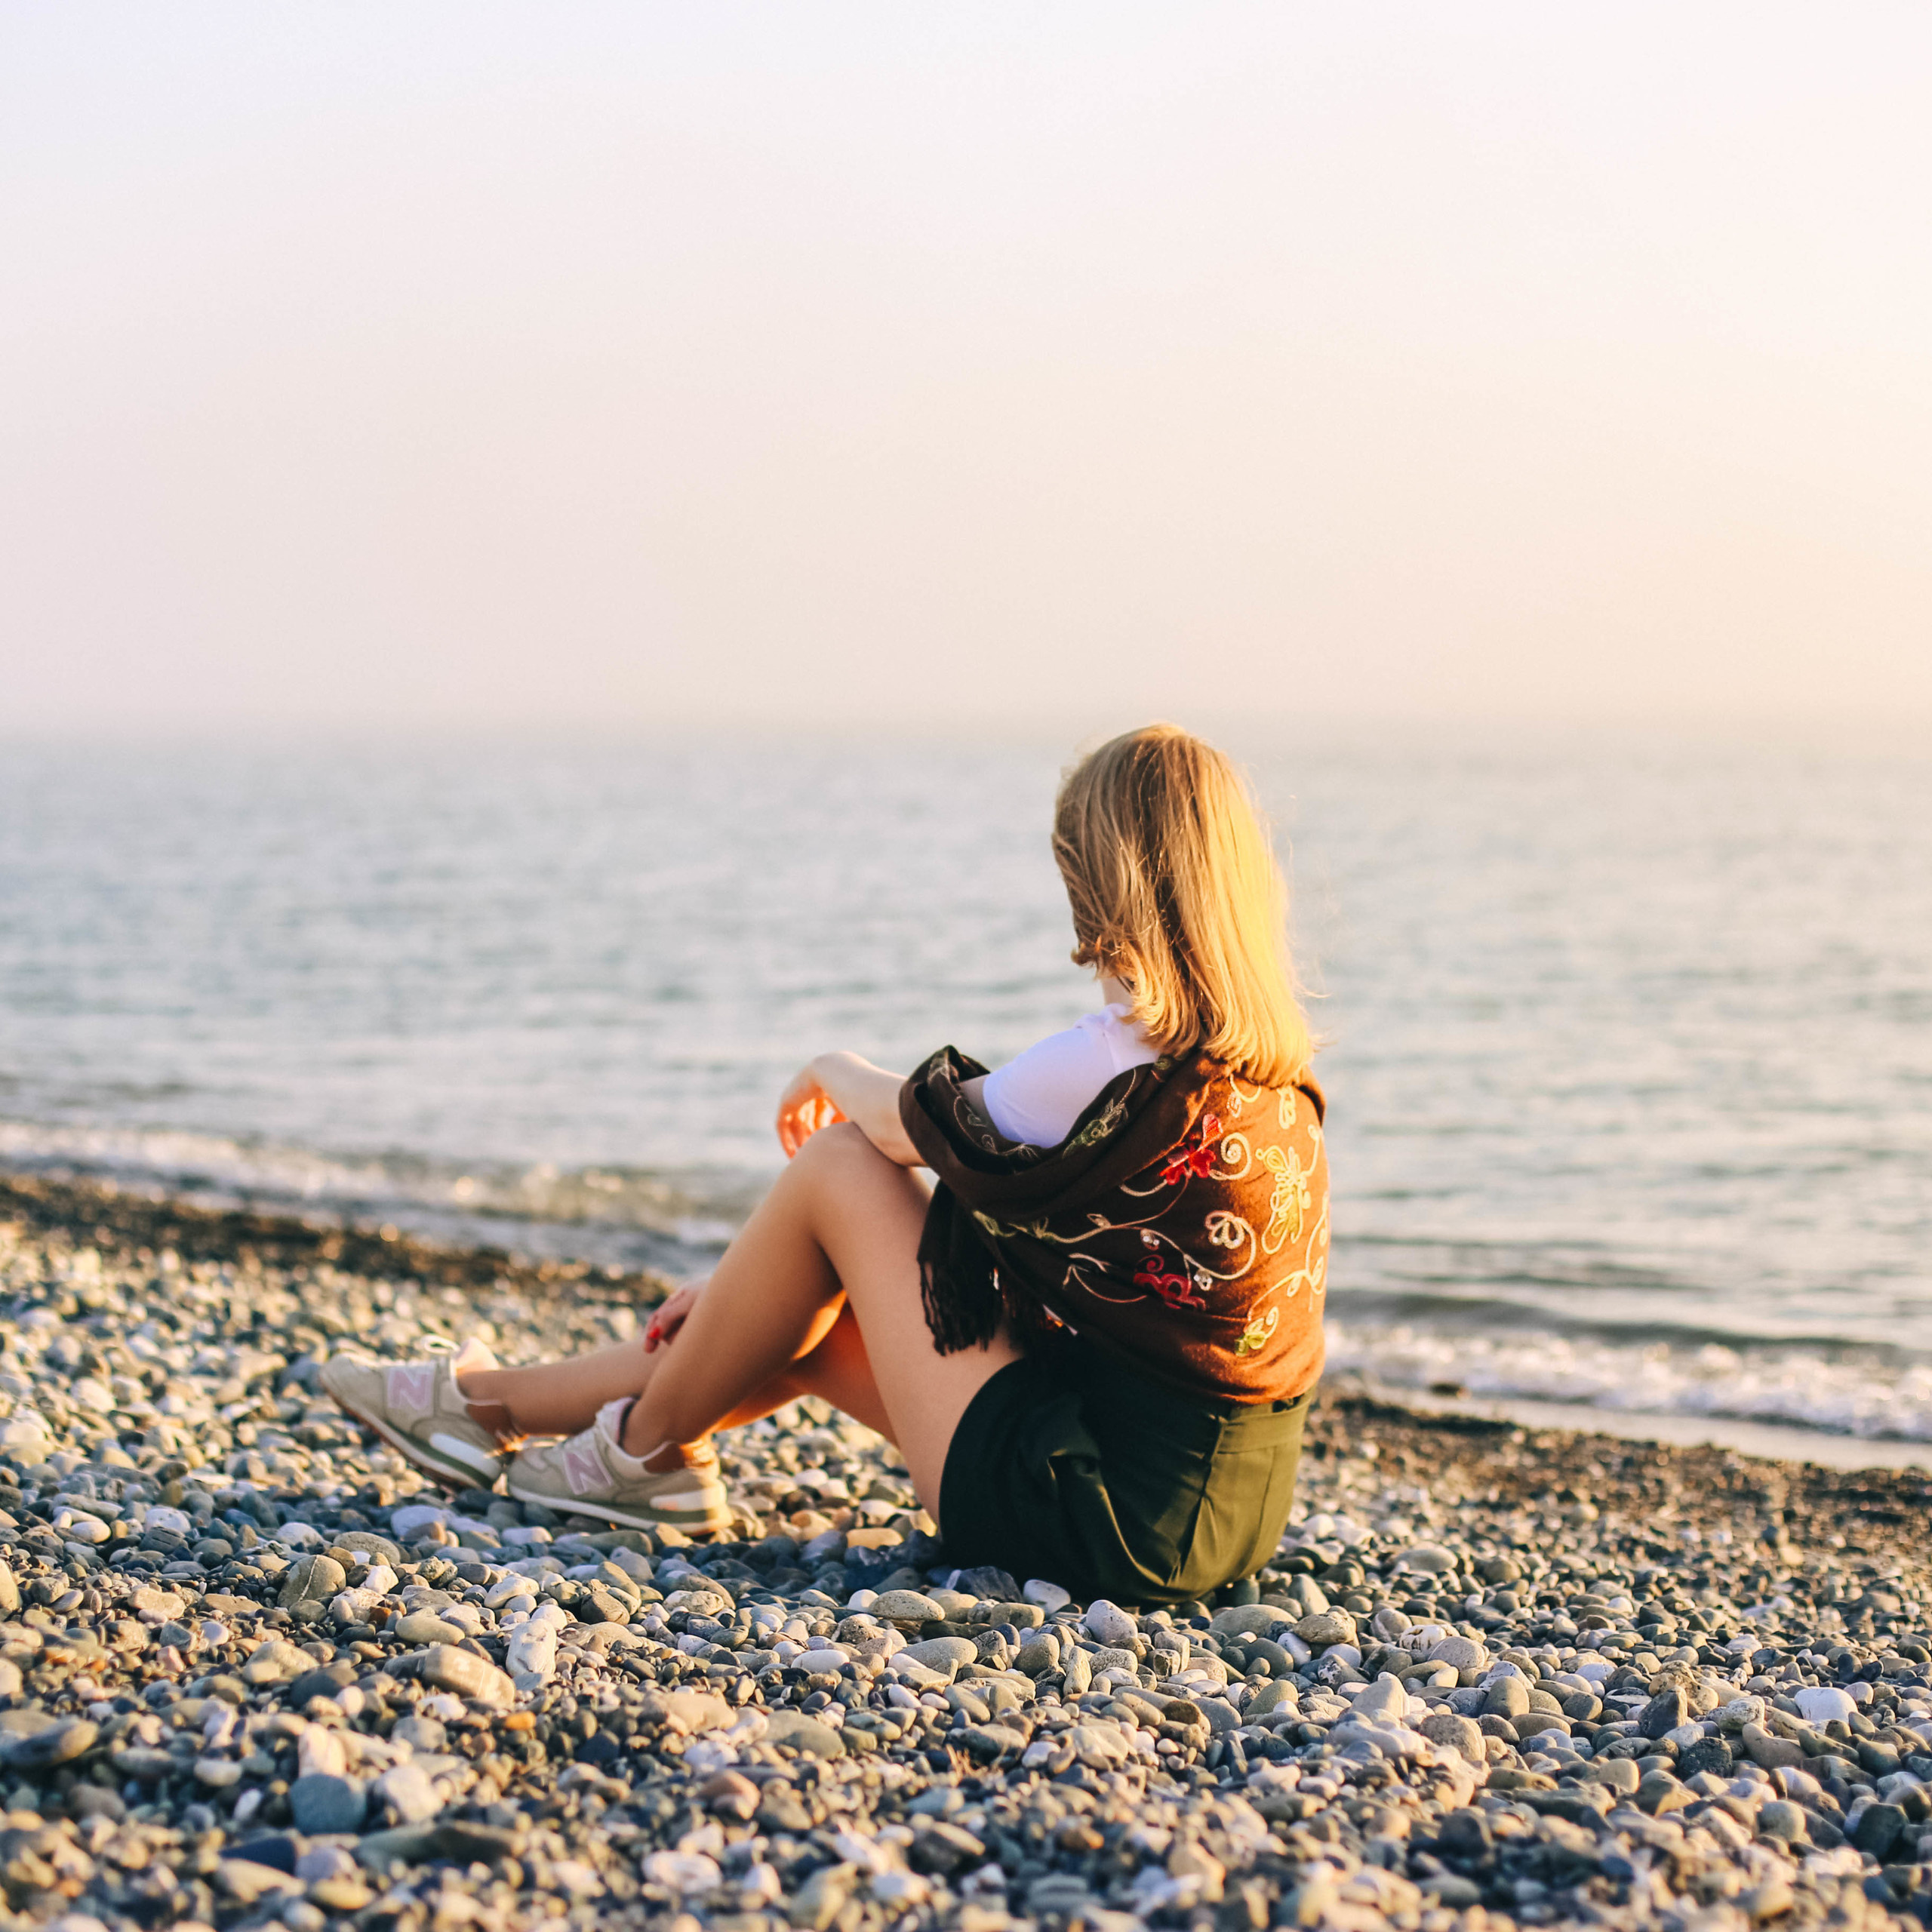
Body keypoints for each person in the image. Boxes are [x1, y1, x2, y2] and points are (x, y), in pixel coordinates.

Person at [322, 724, 1329, 1605]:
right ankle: (494, 1410)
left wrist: (826, 1067)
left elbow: (904, 1127)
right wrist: (747, 1289)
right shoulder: (1271, 1081)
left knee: (839, 1164)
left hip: (1094, 1516)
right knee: (792, 1319)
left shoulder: (1115, 1058)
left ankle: (631, 1452)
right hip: (1218, 1518)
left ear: (1094, 879)